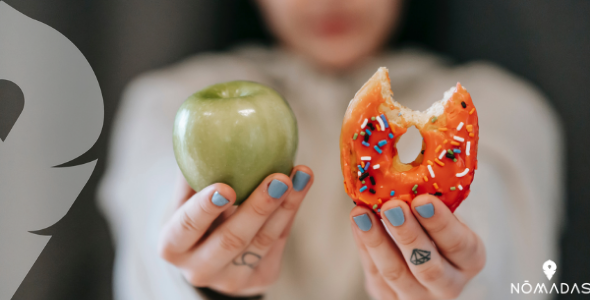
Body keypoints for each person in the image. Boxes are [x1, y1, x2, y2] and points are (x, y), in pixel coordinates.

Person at [98, 0, 563, 299]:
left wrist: (459, 278)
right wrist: (200, 279)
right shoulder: (163, 101)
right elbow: (152, 216)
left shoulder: (505, 106)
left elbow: (499, 231)